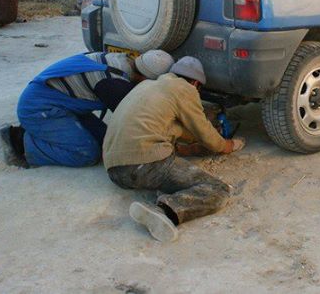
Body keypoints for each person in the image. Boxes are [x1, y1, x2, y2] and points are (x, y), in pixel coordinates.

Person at [102, 56, 245, 243]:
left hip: (115, 171)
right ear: (195, 83)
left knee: (169, 172)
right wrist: (228, 145)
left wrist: (191, 147)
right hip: (144, 166)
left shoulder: (148, 86)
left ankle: (163, 192)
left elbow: (170, 129)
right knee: (217, 190)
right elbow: (206, 136)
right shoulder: (184, 89)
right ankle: (164, 211)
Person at [1, 50, 175, 168]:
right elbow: (135, 125)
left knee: (104, 140)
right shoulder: (114, 85)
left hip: (62, 103)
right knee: (87, 154)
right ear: (145, 77)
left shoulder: (123, 61)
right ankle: (20, 141)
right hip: (39, 107)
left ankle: (47, 132)